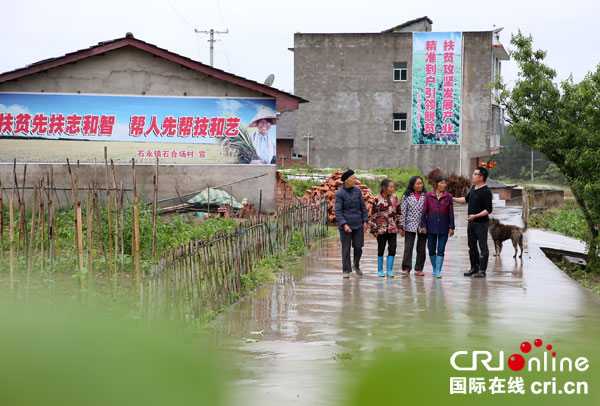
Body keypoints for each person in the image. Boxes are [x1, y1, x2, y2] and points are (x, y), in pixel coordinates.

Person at [453, 166, 493, 278]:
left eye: (475, 174)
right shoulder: (474, 188)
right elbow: (465, 200)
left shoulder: (486, 191)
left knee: (483, 247)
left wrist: (476, 216)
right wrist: (452, 198)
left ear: (481, 177)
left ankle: (482, 270)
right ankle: (474, 267)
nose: (472, 176)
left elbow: (488, 209)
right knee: (472, 246)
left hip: (481, 224)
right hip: (471, 223)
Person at [335, 169, 369, 279]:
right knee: (346, 248)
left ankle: (356, 265)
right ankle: (346, 270)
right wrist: (344, 224)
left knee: (358, 246)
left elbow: (363, 206)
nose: (355, 181)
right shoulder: (340, 193)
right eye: (353, 179)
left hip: (358, 223)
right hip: (346, 225)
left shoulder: (357, 190)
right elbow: (338, 211)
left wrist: (365, 221)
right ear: (347, 180)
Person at [421, 175, 455, 278]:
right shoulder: (428, 195)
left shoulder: (448, 196)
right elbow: (424, 211)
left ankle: (438, 270)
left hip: (444, 227)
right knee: (431, 249)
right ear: (436, 184)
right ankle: (434, 268)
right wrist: (423, 225)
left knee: (441, 249)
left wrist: (451, 227)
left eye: (445, 183)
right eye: (441, 183)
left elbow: (451, 213)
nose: (443, 185)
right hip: (431, 226)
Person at [369, 179, 402, 278]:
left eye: (393, 187)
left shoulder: (395, 198)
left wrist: (400, 226)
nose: (392, 189)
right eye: (390, 187)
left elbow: (399, 214)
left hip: (392, 228)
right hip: (381, 229)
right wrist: (374, 229)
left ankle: (389, 271)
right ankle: (380, 270)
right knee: (381, 249)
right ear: (384, 188)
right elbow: (373, 215)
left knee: (392, 249)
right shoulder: (376, 199)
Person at [399, 176, 427, 276]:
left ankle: (419, 268)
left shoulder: (426, 196)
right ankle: (406, 268)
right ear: (413, 185)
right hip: (409, 225)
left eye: (421, 183)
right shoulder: (406, 196)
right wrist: (401, 226)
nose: (420, 185)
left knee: (421, 247)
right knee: (408, 247)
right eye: (418, 184)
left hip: (423, 225)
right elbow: (403, 212)